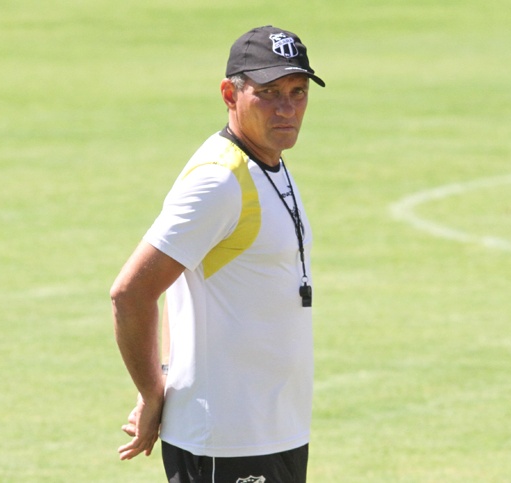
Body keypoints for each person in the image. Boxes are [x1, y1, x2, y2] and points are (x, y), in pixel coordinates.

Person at [110, 25, 325, 483]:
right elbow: (131, 293)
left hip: (276, 430)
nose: (287, 108)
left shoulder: (269, 161)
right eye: (269, 93)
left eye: (298, 92)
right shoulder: (219, 181)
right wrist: (153, 391)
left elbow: (184, 277)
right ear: (230, 94)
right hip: (226, 440)